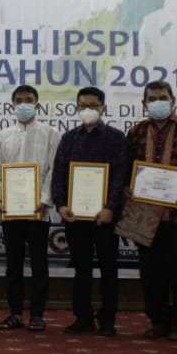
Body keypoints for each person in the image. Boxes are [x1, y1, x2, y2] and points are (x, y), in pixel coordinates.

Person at [124, 80, 177, 341]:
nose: (157, 102)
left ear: (173, 101)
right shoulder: (136, 132)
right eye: (152, 98)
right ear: (144, 103)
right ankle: (158, 320)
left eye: (162, 97)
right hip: (145, 216)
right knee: (151, 272)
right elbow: (126, 169)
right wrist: (127, 189)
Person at [51, 86, 128, 337]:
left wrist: (110, 208)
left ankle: (107, 320)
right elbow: (59, 174)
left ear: (103, 108)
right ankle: (83, 317)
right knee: (81, 268)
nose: (88, 109)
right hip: (76, 216)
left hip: (105, 217)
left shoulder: (116, 138)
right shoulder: (69, 138)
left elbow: (120, 177)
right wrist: (61, 205)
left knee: (108, 268)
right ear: (76, 108)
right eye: (83, 105)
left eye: (93, 105)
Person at [0, 84, 60, 331]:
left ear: (37, 104)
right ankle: (15, 313)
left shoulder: (51, 134)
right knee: (13, 264)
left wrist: (45, 200)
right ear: (12, 105)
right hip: (10, 210)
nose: (24, 104)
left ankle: (37, 315)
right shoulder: (3, 135)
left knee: (39, 264)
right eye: (19, 100)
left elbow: (53, 170)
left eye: (29, 100)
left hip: (38, 210)